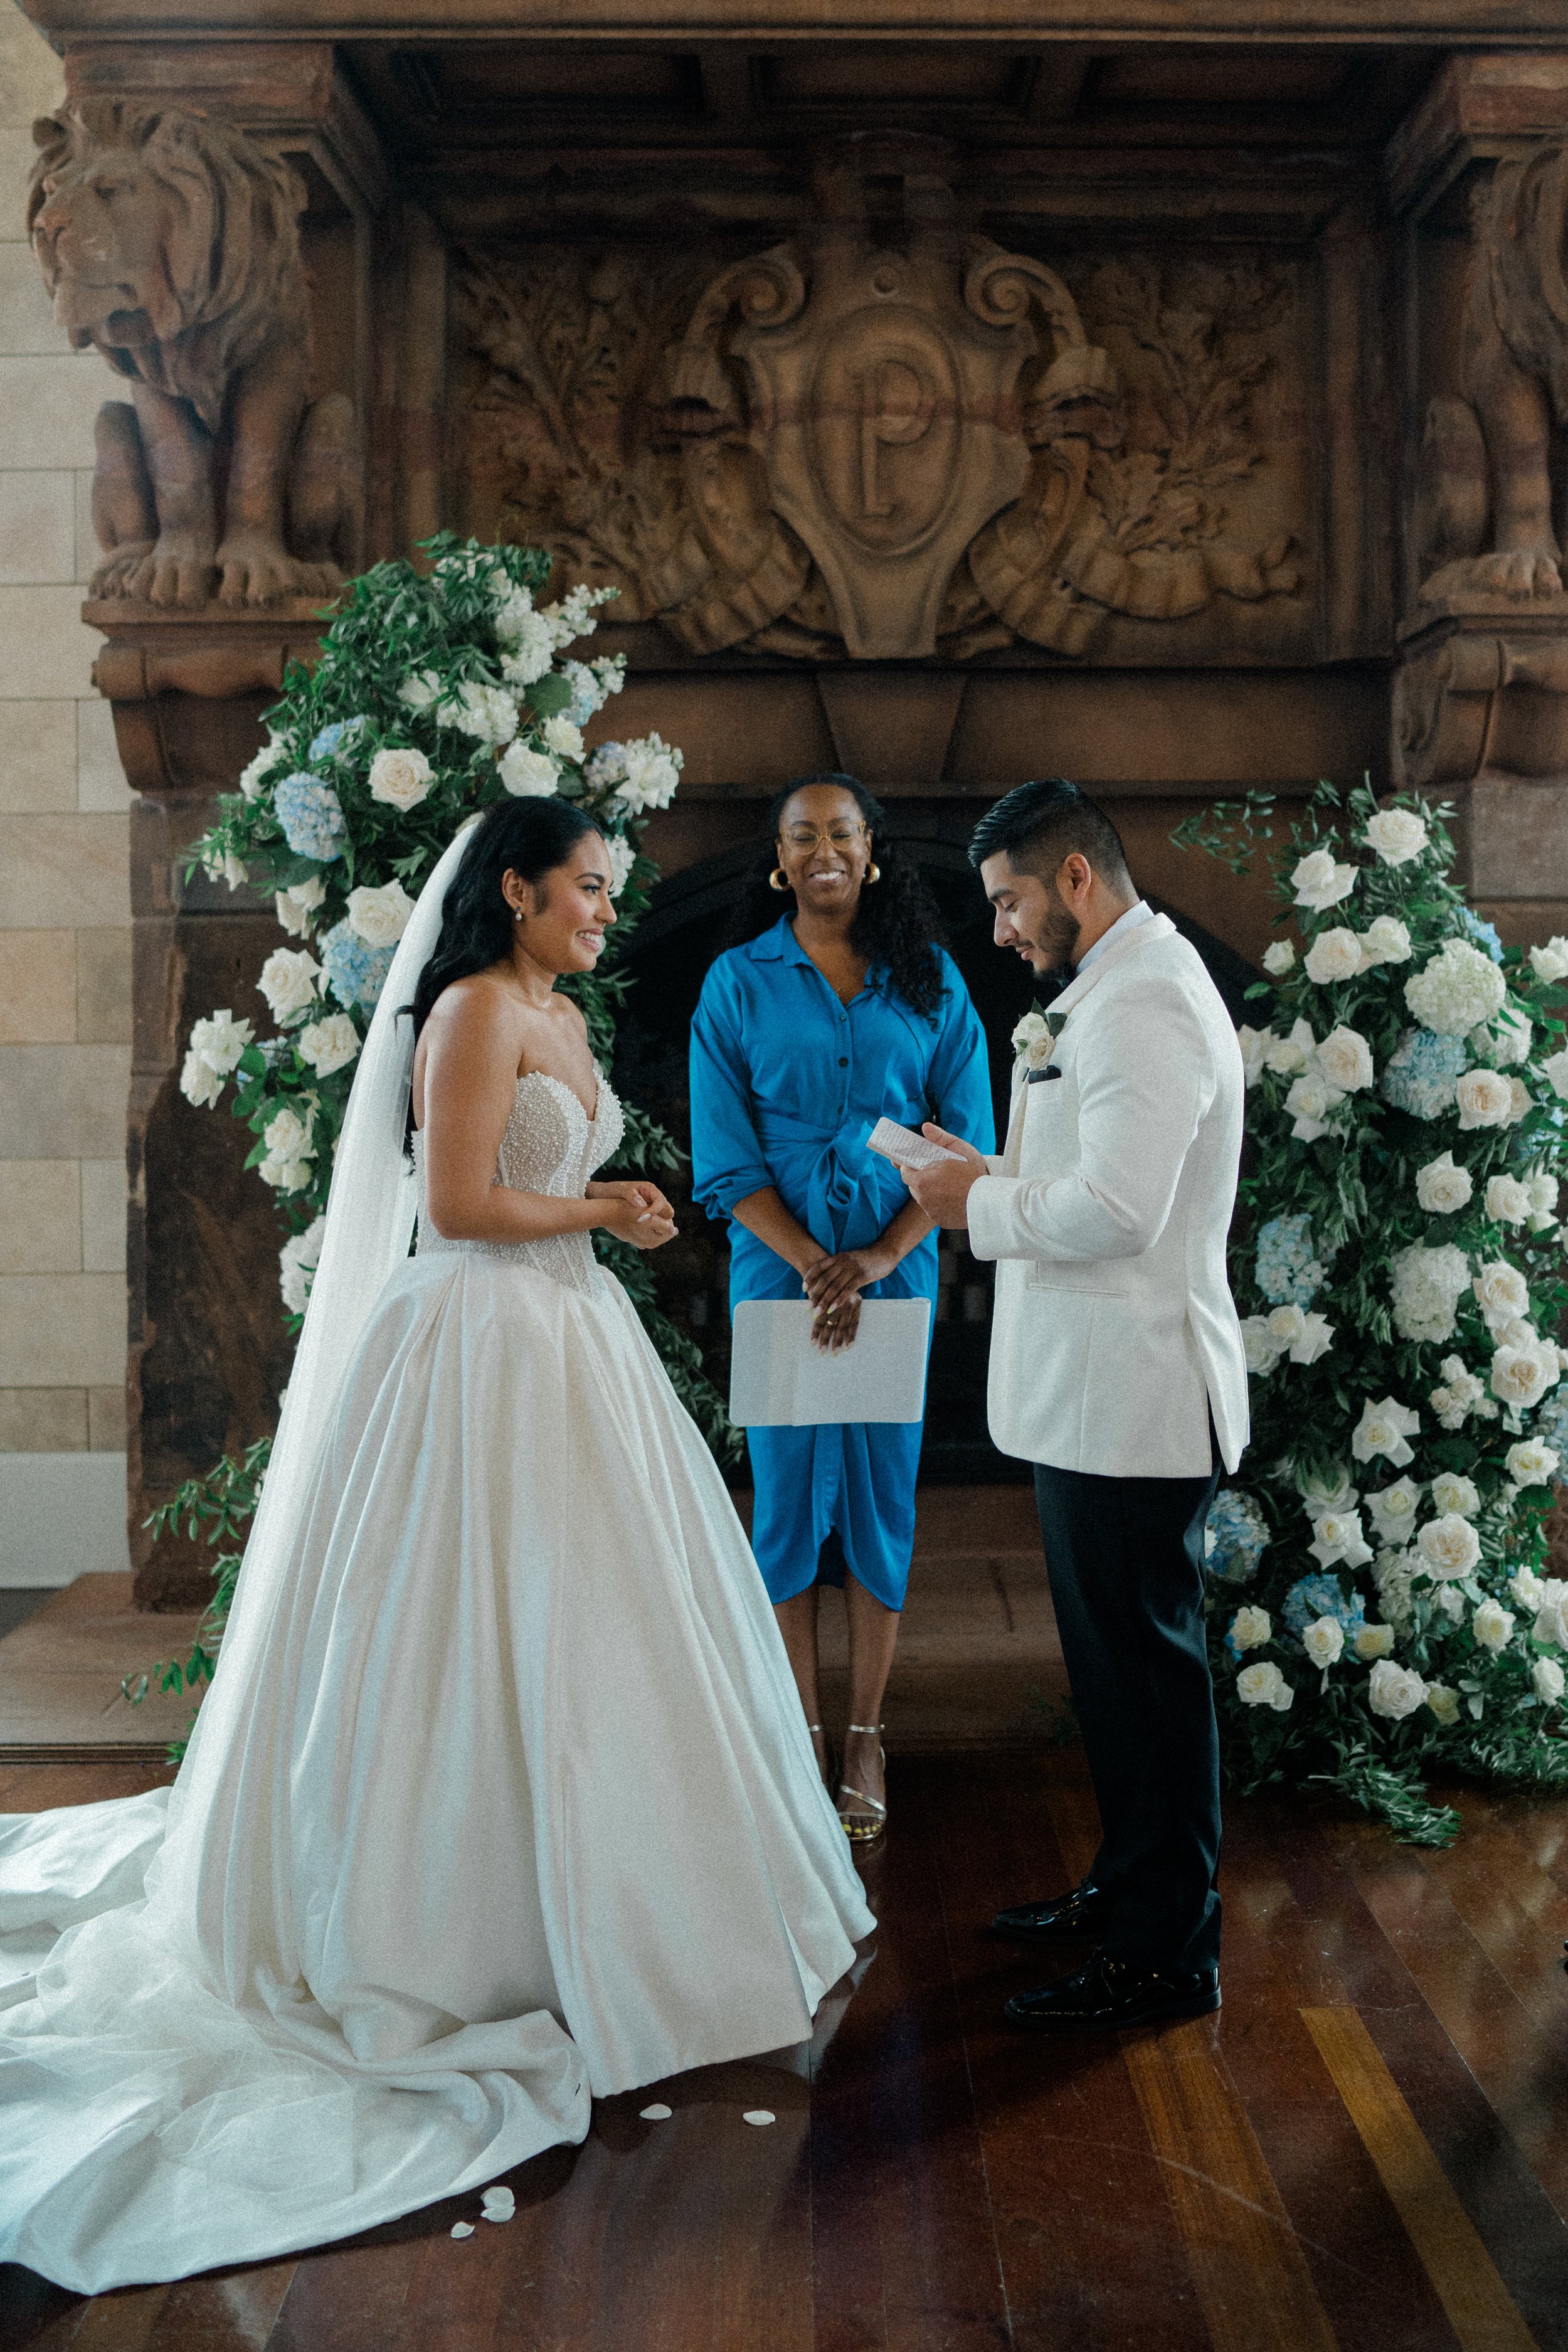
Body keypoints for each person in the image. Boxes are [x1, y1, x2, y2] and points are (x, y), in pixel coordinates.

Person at [0, 798, 872, 2293]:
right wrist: (601, 1202)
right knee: (460, 1629)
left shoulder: (557, 1010)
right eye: (584, 891)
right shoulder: (470, 1010)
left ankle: (636, 1907)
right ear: (515, 892)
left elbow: (536, 1194)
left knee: (602, 1630)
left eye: (610, 892)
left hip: (568, 1336)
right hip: (477, 1346)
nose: (605, 911)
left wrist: (614, 1215)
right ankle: (457, 1931)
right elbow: (461, 1205)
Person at [904, 778, 1248, 2032]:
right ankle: (1125, 1887)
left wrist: (973, 1212)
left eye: (1006, 902)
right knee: (1111, 1678)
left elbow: (1120, 1213)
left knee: (1148, 1680)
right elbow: (1087, 1173)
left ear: (1075, 881)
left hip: (1138, 1396)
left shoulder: (1145, 998)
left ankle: (1166, 1954)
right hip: (1093, 1398)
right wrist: (985, 1171)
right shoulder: (1101, 991)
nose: (996, 930)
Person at [689, 773, 993, 1844]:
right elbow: (724, 1159)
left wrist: (875, 1257)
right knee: (781, 1509)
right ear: (780, 861)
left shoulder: (936, 982)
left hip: (894, 1277)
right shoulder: (735, 982)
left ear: (872, 853)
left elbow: (966, 1146)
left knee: (878, 1501)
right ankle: (797, 1738)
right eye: (802, 835)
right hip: (778, 1276)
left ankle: (865, 1732)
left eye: (845, 832)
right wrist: (820, 1260)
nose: (825, 850)